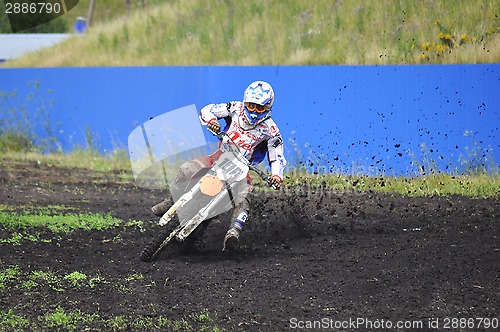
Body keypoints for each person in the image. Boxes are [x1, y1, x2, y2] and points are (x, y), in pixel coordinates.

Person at [151, 80, 286, 250]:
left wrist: (276, 175)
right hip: (219, 156)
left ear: (268, 108)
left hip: (243, 169)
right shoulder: (234, 108)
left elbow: (277, 157)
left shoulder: (271, 130)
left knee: (244, 198)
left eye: (259, 108)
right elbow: (208, 110)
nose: (254, 111)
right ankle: (170, 201)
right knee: (186, 169)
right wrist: (212, 121)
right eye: (251, 105)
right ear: (245, 102)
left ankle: (233, 233)